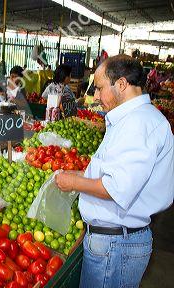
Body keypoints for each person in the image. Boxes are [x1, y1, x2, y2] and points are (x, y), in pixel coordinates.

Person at [55, 55, 174, 287]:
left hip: (117, 246)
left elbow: (115, 187)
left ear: (121, 84)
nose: (96, 96)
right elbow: (114, 174)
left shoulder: (137, 124)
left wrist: (73, 183)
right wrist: (80, 175)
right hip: (114, 242)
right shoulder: (130, 120)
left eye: (99, 88)